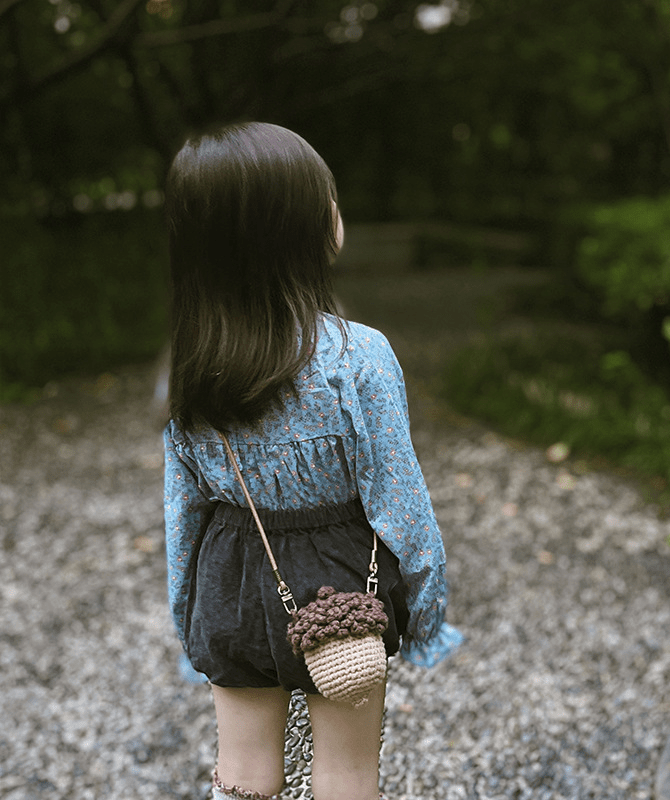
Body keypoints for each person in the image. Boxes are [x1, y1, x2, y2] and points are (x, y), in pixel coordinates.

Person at [162, 122, 461, 800]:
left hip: (231, 577)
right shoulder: (359, 357)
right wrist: (428, 616)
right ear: (301, 229)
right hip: (344, 585)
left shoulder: (190, 369)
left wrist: (189, 621)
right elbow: (401, 506)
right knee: (349, 774)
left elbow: (182, 513)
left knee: (240, 776)